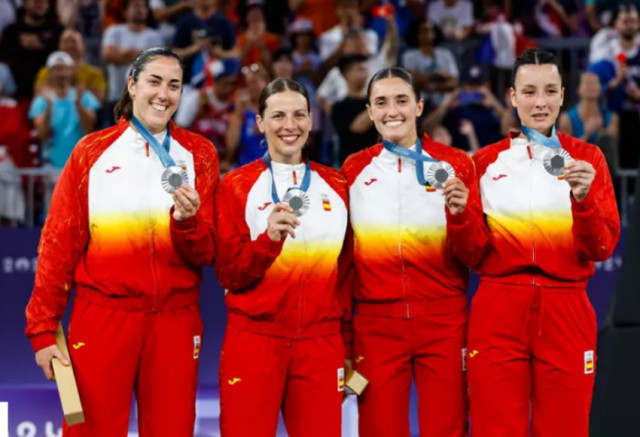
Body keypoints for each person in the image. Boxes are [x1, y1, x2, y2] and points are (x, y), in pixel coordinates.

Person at [25, 46, 219, 436]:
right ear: (132, 85)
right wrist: (43, 330)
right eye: (154, 81)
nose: (164, 94)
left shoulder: (200, 154)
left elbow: (209, 251)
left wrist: (187, 223)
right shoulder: (90, 153)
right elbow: (58, 245)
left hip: (175, 320)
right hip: (103, 316)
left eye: (174, 85)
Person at [467, 49, 620, 437]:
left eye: (550, 91)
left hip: (566, 306)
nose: (540, 102)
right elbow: (470, 252)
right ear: (512, 97)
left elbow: (601, 248)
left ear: (563, 95)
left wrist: (583, 201)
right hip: (499, 306)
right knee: (495, 429)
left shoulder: (588, 159)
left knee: (565, 429)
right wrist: (457, 216)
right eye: (530, 91)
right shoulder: (484, 163)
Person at [340, 67, 486, 437]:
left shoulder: (455, 165)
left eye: (402, 100)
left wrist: (460, 217)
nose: (393, 111)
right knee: (379, 429)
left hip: (444, 322)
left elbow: (476, 254)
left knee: (447, 427)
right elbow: (343, 265)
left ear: (419, 106)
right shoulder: (353, 170)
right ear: (370, 111)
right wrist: (344, 338)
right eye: (382, 103)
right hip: (376, 326)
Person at [215, 78, 349, 436]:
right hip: (255, 339)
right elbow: (228, 273)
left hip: (321, 344)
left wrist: (348, 344)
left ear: (311, 120)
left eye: (298, 115)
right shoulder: (236, 186)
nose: (289, 126)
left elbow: (348, 272)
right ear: (259, 122)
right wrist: (267, 241)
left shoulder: (336, 185)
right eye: (277, 116)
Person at [29, 51, 101, 169]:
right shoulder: (41, 100)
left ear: (71, 71)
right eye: (56, 69)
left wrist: (78, 103)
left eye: (63, 69)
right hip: (51, 166)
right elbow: (42, 134)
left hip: (80, 164)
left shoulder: (85, 97)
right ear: (49, 73)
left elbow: (89, 129)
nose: (60, 73)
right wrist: (49, 105)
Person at [35, 28, 107, 103]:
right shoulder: (45, 72)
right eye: (66, 42)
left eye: (74, 42)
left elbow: (98, 100)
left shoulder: (95, 73)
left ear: (83, 46)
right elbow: (39, 96)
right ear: (59, 45)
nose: (70, 45)